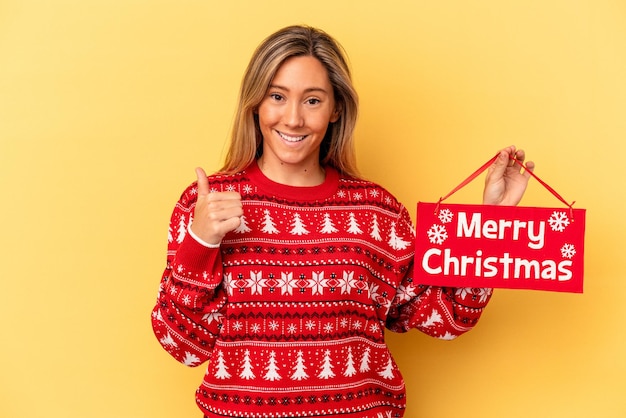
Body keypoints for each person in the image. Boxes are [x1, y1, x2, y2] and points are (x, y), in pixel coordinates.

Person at [151, 25, 534, 418]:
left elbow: (448, 315)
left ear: (336, 109)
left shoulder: (377, 212)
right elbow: (182, 345)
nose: (294, 118)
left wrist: (493, 223)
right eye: (277, 96)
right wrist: (200, 242)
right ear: (255, 105)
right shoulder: (208, 204)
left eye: (313, 100)